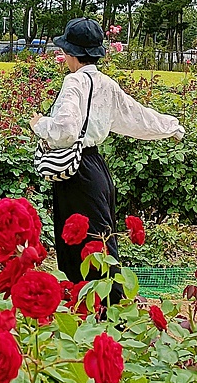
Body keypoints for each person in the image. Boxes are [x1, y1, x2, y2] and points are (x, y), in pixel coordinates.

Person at [29, 17, 185, 304]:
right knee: (100, 238)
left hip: (75, 172)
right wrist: (170, 126)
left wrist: (40, 124)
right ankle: (100, 307)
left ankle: (108, 308)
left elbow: (65, 131)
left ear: (70, 53)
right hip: (95, 169)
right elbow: (136, 116)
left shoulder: (74, 81)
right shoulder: (105, 83)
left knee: (86, 243)